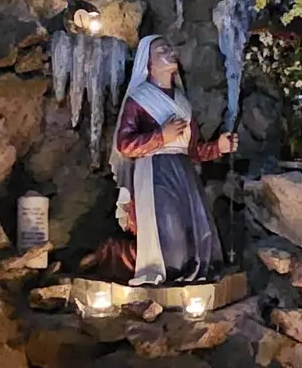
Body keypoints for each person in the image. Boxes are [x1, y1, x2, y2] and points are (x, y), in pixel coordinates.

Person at [85, 35, 236, 285]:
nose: (169, 50)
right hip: (155, 171)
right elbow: (124, 144)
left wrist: (218, 147)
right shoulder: (140, 99)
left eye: (169, 46)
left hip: (184, 172)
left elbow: (192, 150)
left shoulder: (182, 102)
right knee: (168, 230)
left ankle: (192, 275)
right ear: (149, 63)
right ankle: (164, 273)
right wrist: (160, 136)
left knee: (196, 230)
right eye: (160, 49)